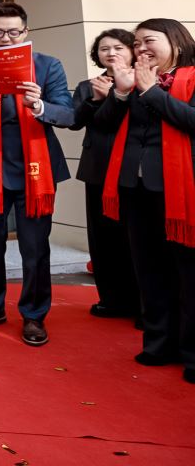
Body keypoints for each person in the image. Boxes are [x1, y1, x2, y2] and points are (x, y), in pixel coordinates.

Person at [0, 2, 73, 346]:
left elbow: (67, 114)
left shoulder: (48, 66)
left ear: (26, 32)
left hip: (36, 169)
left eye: (13, 32)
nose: (5, 38)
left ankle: (34, 315)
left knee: (35, 246)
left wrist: (39, 105)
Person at [94, 18, 195, 384]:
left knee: (189, 275)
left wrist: (152, 92)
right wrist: (121, 94)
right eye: (136, 43)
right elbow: (103, 125)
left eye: (148, 41)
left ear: (176, 43)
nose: (140, 49)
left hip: (182, 191)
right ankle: (158, 344)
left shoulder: (191, 78)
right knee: (149, 271)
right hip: (135, 190)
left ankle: (192, 353)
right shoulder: (133, 81)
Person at [70, 29, 140, 319]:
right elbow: (74, 121)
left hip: (133, 169)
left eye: (119, 47)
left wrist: (112, 97)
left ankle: (143, 303)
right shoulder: (87, 86)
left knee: (135, 237)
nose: (111, 53)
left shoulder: (145, 81)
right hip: (98, 168)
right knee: (102, 238)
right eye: (104, 49)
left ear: (133, 51)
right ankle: (111, 299)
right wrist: (94, 100)